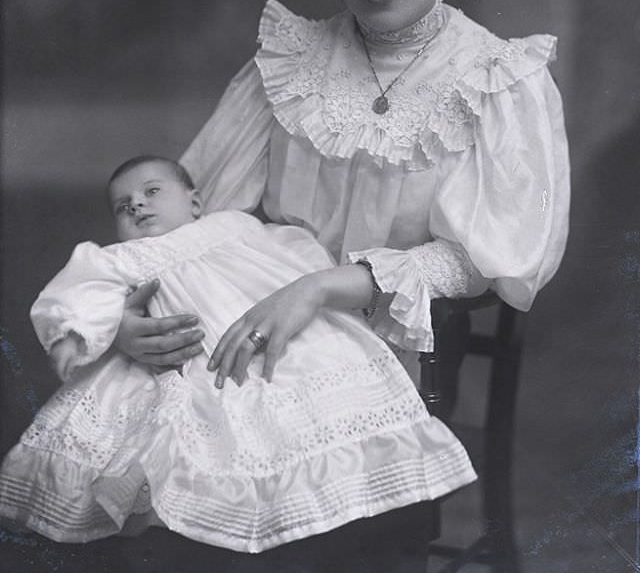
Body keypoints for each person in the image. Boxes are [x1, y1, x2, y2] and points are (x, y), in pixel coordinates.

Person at [114, 0, 571, 563]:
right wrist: (131, 320)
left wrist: (327, 287)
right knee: (167, 462)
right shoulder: (289, 64)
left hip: (398, 352)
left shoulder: (498, 81)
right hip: (256, 337)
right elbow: (189, 219)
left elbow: (494, 261)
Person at [0, 156, 475, 555]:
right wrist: (72, 337)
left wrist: (327, 299)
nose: (138, 205)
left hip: (271, 331)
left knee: (308, 397)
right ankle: (171, 497)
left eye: (151, 191)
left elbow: (296, 252)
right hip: (201, 356)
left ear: (195, 202)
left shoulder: (233, 225)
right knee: (190, 414)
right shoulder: (123, 259)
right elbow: (80, 290)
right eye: (124, 207)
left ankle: (337, 509)